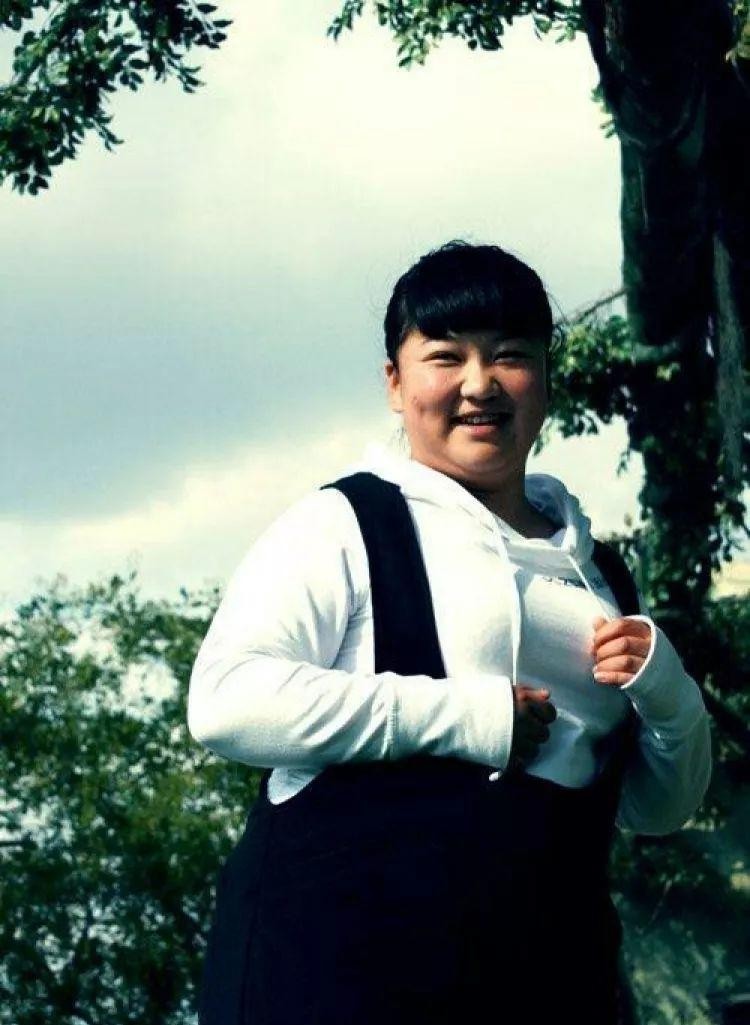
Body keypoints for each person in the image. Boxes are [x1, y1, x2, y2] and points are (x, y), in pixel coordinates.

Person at [187, 240, 712, 1025]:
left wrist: (669, 691)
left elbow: (658, 808)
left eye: (510, 355)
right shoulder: (345, 522)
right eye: (445, 356)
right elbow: (225, 702)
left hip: (549, 981)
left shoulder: (599, 574)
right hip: (338, 975)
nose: (479, 383)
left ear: (546, 377)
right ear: (395, 384)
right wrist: (464, 715)